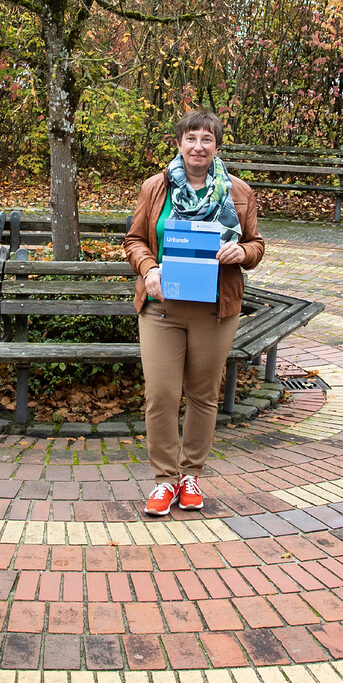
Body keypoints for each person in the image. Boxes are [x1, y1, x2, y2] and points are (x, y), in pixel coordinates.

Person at [124, 109, 265, 517]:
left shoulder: (238, 192)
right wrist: (149, 268)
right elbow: (134, 240)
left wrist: (242, 251)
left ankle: (191, 476)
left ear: (217, 145)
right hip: (161, 307)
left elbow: (256, 245)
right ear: (179, 143)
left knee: (204, 396)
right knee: (161, 395)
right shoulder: (157, 187)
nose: (198, 146)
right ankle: (164, 481)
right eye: (191, 138)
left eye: (207, 139)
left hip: (214, 309)